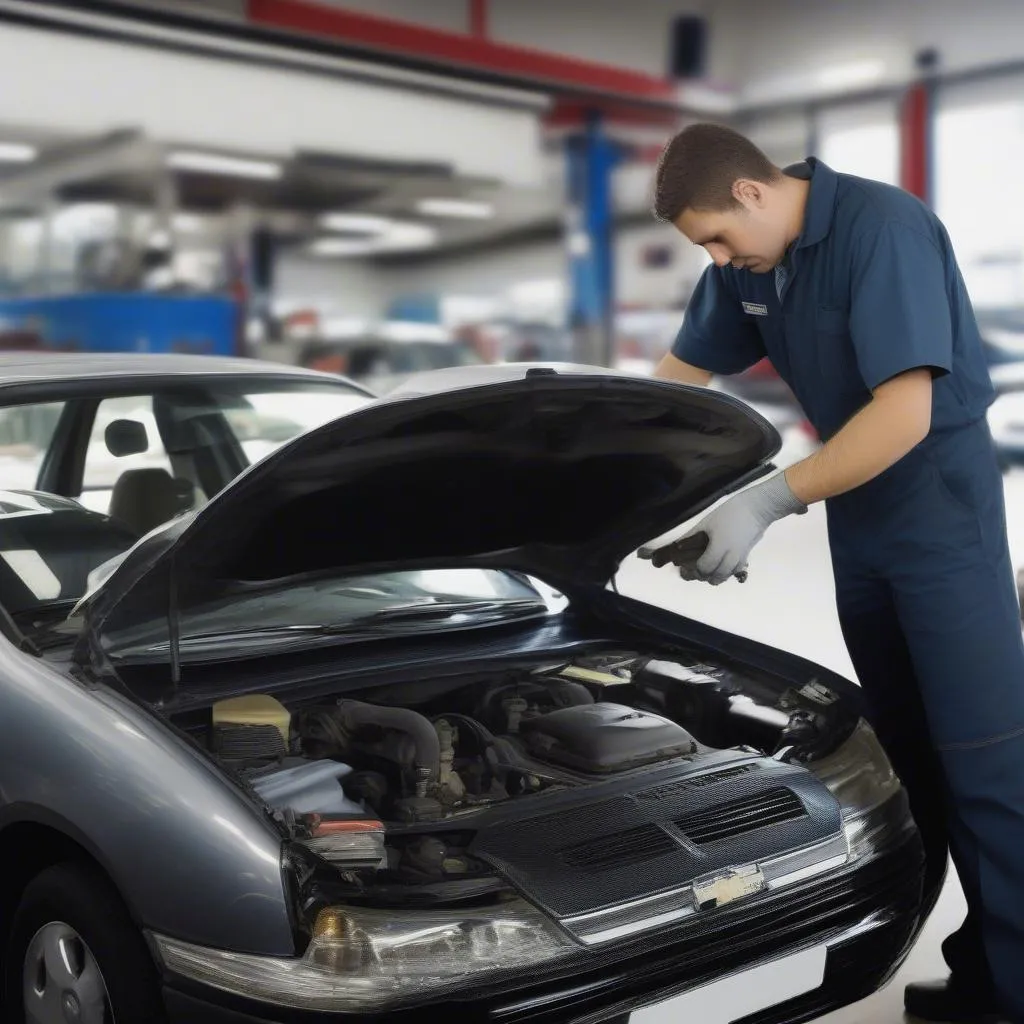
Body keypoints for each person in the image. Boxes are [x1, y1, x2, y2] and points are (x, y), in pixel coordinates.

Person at [644, 122, 1024, 1024]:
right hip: (861, 525)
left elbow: (902, 417)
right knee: (910, 766)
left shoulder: (880, 230)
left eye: (716, 237)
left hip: (941, 523)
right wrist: (630, 476)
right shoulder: (750, 264)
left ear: (750, 193)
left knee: (986, 766)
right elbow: (680, 377)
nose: (717, 259)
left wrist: (766, 502)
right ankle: (984, 976)